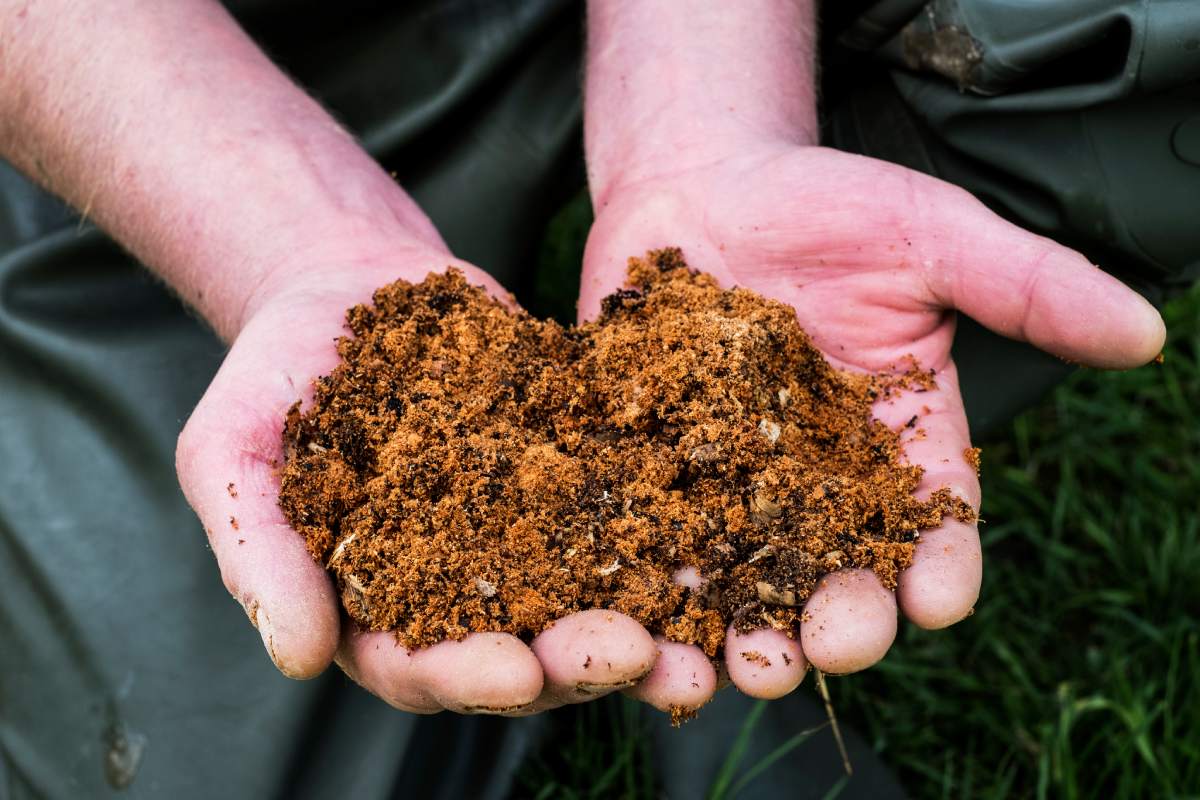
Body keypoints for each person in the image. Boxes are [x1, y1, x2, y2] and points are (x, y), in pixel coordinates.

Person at [1, 1, 1189, 796]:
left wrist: (706, 115)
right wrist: (287, 246)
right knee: (174, 761)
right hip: (183, 73)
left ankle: (712, 641)